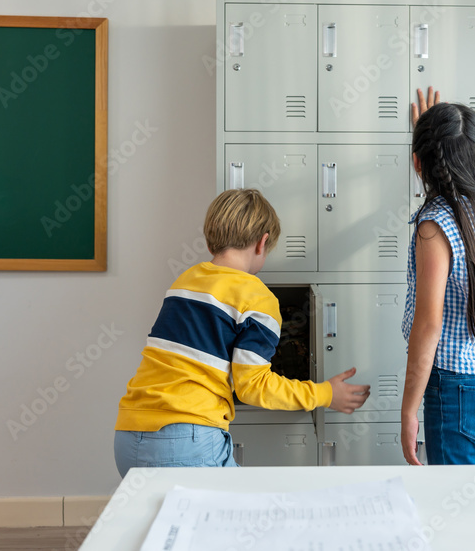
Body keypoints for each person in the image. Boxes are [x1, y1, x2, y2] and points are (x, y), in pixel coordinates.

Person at [114, 188, 370, 473]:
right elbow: (253, 387)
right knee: (228, 513)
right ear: (263, 243)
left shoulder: (185, 281)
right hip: (187, 436)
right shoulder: (257, 298)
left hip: (128, 434)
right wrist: (325, 394)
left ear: (212, 243)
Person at [400, 87, 475, 466]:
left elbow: (429, 323)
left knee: (454, 513)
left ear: (418, 163)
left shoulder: (433, 226)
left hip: (457, 388)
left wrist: (408, 410)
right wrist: (435, 135)